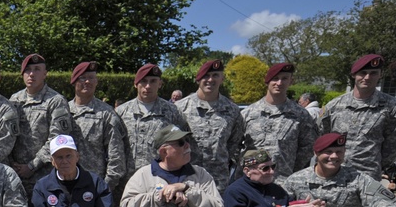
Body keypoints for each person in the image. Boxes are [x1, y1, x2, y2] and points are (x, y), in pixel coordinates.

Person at [320, 54, 396, 180]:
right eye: (363, 73)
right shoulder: (334, 106)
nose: (367, 77)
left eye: (373, 73)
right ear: (354, 74)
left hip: (367, 177)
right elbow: (322, 138)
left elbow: (392, 146)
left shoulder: (393, 108)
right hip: (333, 174)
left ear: (380, 75)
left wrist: (376, 165)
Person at [175, 59, 245, 192]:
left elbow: (234, 142)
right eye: (206, 76)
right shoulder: (180, 108)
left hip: (218, 181)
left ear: (222, 79)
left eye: (215, 75)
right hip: (186, 178)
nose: (210, 80)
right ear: (198, 79)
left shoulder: (232, 110)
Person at [241, 63, 318, 181]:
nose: (279, 83)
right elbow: (234, 146)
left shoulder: (301, 115)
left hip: (282, 183)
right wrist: (251, 167)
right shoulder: (248, 113)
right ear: (267, 81)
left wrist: (289, 170)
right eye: (275, 78)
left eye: (284, 78)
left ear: (291, 81)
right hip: (249, 183)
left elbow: (307, 148)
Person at [9, 53, 72, 193]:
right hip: (16, 175)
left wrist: (32, 166)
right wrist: (12, 164)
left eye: (37, 69)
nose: (31, 74)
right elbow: (9, 134)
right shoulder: (14, 99)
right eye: (28, 70)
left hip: (44, 176)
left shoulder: (56, 101)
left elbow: (57, 138)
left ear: (45, 74)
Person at [115, 63, 192, 177]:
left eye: (153, 81)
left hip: (160, 178)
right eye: (144, 81)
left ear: (160, 83)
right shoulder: (121, 112)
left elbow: (184, 143)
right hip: (126, 179)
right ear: (136, 84)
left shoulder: (173, 112)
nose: (148, 86)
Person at [66, 61, 127, 193]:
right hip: (64, 185)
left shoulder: (107, 113)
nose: (87, 82)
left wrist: (106, 187)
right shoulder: (63, 111)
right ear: (74, 81)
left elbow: (116, 155)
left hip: (94, 186)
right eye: (83, 78)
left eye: (91, 78)